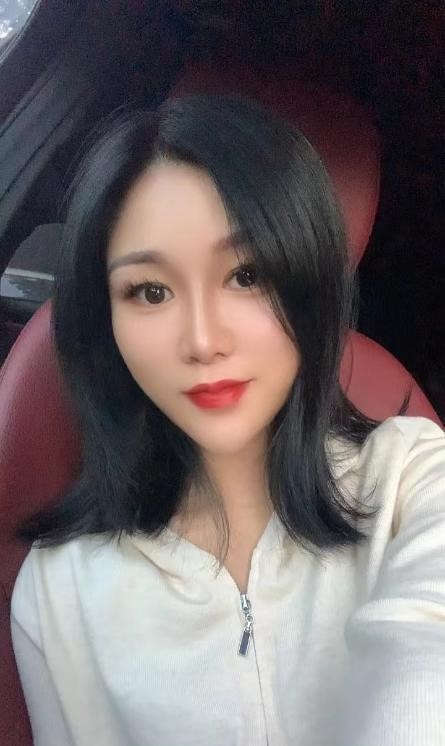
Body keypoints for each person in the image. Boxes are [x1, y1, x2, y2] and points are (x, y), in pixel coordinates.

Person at [10, 94, 445, 746]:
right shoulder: (58, 590)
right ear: (107, 322)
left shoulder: (414, 479)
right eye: (150, 291)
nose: (203, 340)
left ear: (310, 283)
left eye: (247, 275)